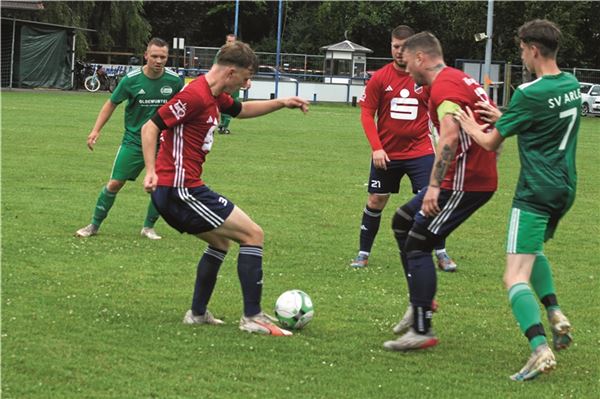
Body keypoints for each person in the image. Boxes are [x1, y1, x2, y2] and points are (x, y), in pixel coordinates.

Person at [141, 40, 309, 336]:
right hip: (181, 189)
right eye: (245, 78)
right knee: (253, 234)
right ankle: (253, 316)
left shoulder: (215, 95)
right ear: (231, 72)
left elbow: (242, 110)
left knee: (220, 243)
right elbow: (151, 126)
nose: (247, 84)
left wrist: (282, 102)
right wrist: (152, 171)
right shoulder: (194, 95)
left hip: (177, 191)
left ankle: (197, 313)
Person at [454, 19, 577, 381]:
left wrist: (469, 125)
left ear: (534, 49)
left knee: (513, 276)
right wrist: (506, 117)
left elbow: (491, 142)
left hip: (535, 192)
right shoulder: (569, 84)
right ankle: (555, 313)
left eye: (522, 49)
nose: (521, 55)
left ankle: (539, 349)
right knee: (533, 249)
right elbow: (542, 121)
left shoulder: (529, 92)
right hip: (564, 188)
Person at [381, 32, 498, 351]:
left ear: (420, 58)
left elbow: (448, 137)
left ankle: (422, 328)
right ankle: (421, 300)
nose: (404, 68)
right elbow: (492, 115)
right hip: (465, 176)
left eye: (406, 61)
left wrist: (433, 187)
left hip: (465, 181)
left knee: (419, 243)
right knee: (402, 221)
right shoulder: (459, 79)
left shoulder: (444, 87)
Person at [351, 25, 457, 272]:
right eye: (395, 46)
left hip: (420, 152)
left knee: (431, 200)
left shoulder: (424, 78)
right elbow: (367, 114)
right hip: (387, 154)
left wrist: (444, 138)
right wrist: (377, 148)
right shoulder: (380, 77)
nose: (399, 52)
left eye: (404, 47)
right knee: (376, 200)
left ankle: (441, 253)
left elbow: (439, 111)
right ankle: (363, 253)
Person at [75, 38, 184, 240]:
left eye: (163, 57)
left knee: (162, 186)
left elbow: (184, 108)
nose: (159, 60)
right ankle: (94, 225)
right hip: (134, 141)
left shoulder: (175, 81)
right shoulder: (131, 80)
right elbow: (111, 103)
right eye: (154, 56)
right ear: (146, 56)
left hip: (164, 143)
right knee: (115, 183)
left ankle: (148, 227)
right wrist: (95, 130)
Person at [217, 33, 239, 134]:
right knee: (225, 102)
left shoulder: (239, 54)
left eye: (232, 41)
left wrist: (247, 79)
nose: (230, 43)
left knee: (233, 103)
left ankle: (223, 126)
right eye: (229, 41)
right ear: (226, 42)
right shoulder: (221, 53)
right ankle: (222, 126)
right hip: (225, 82)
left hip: (236, 82)